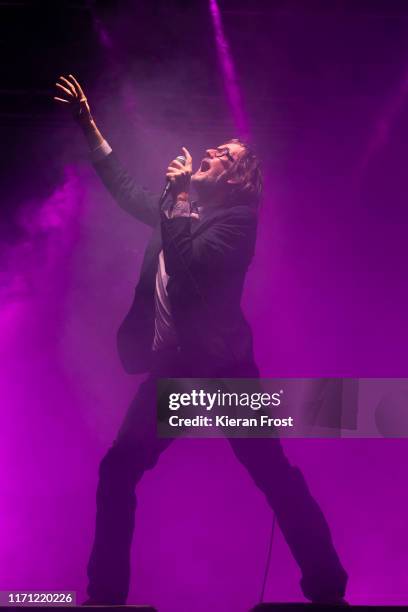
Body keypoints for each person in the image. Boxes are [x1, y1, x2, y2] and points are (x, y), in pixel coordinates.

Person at [54, 74, 348, 606]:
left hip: (225, 373)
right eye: (213, 148)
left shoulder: (239, 221)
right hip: (177, 377)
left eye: (223, 153)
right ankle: (105, 596)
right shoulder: (176, 212)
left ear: (236, 178)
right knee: (118, 470)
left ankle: (328, 586)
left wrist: (182, 197)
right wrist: (90, 126)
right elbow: (127, 191)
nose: (209, 151)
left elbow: (190, 277)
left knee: (273, 476)